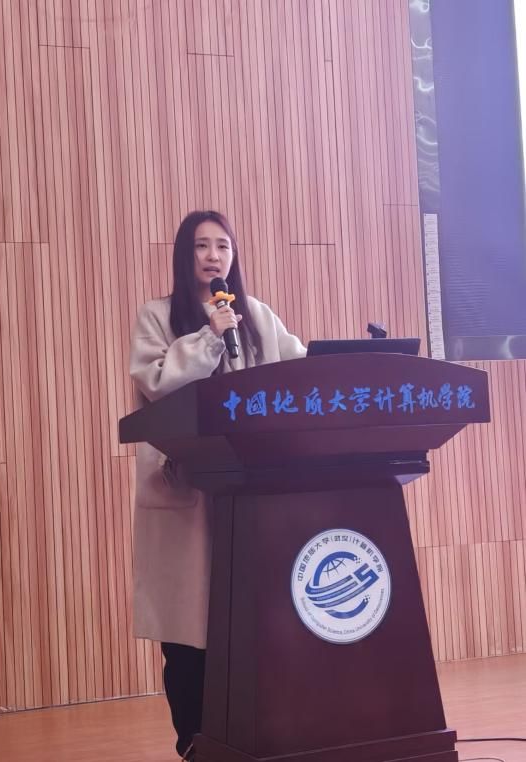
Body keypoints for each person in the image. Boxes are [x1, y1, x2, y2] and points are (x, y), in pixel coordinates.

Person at [129, 210, 306, 761]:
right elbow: (156, 383)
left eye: (223, 246)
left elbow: (300, 373)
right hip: (187, 489)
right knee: (190, 638)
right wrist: (209, 335)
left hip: (252, 491)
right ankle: (194, 745)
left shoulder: (257, 316)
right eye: (201, 246)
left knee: (254, 627)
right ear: (185, 256)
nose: (213, 256)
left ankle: (257, 737)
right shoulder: (158, 316)